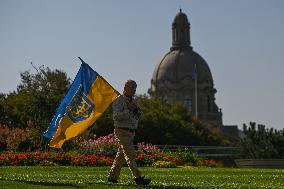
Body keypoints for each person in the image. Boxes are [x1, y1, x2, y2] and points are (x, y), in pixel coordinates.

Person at [107, 80, 151, 186]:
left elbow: (139, 114)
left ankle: (112, 177)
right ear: (125, 87)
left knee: (121, 156)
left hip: (131, 132)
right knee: (130, 155)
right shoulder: (119, 100)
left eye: (135, 88)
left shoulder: (134, 101)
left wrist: (135, 110)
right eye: (132, 88)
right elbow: (116, 117)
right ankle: (138, 178)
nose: (134, 90)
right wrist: (128, 110)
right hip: (122, 131)